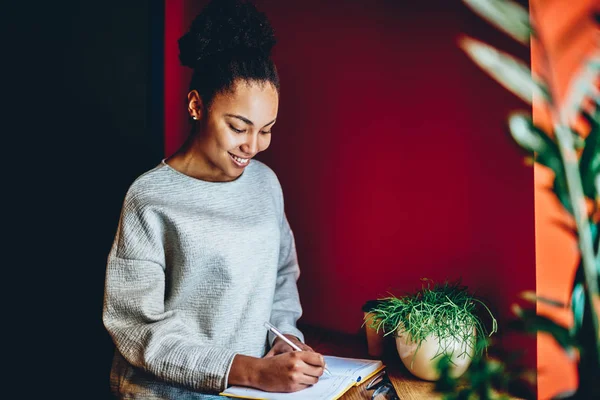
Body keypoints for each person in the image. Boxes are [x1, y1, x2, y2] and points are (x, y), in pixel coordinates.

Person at [102, 0, 325, 398]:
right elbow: (136, 327)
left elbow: (280, 276)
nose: (253, 146)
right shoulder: (149, 198)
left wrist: (285, 339)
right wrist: (250, 371)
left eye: (266, 129)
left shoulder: (265, 184)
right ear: (196, 105)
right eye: (239, 127)